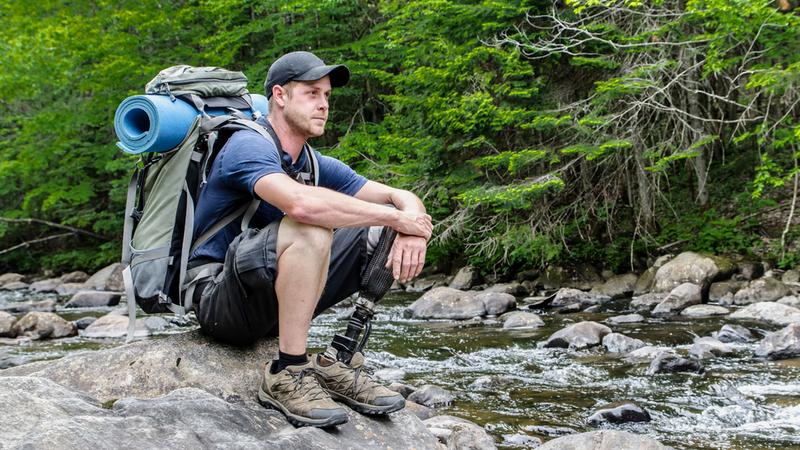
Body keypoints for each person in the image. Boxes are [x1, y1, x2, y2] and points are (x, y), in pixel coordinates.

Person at [188, 51, 432, 428]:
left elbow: (398, 196)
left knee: (381, 226)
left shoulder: (313, 162)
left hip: (267, 303)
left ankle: (340, 358)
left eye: (327, 96)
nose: (323, 105)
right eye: (312, 93)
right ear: (280, 96)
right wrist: (400, 218)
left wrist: (407, 224)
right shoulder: (246, 146)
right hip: (220, 301)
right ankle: (287, 372)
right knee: (313, 223)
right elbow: (301, 205)